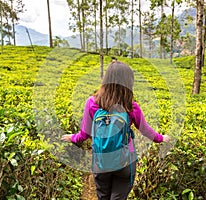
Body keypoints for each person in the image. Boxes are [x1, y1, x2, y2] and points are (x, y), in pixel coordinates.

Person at [61, 61, 170, 200]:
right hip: (125, 162)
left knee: (103, 197)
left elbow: (85, 134)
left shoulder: (92, 103)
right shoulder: (131, 106)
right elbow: (145, 130)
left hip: (101, 161)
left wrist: (73, 138)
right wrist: (161, 138)